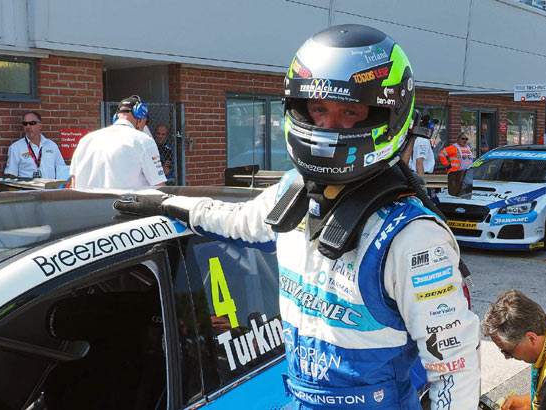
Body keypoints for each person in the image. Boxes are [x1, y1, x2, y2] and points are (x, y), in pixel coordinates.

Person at [114, 24, 480, 409]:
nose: (329, 125)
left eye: (350, 111)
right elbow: (236, 221)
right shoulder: (294, 191)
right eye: (319, 109)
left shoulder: (412, 236)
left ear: (385, 115)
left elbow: (454, 370)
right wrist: (168, 203)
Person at [70, 95, 166, 189]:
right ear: (141, 118)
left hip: (86, 204)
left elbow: (74, 183)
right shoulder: (143, 141)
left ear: (116, 116)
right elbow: (159, 186)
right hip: (125, 203)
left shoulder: (86, 140)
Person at [4, 112, 66, 179]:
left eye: (32, 123)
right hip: (28, 189)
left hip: (49, 188)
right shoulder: (15, 148)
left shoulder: (52, 145)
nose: (28, 126)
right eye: (25, 124)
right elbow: (11, 175)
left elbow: (61, 170)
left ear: (40, 126)